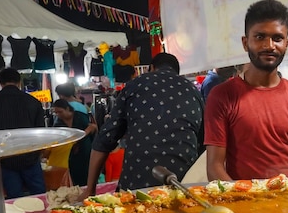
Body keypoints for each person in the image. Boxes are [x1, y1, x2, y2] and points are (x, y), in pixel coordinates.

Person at [204, 0, 288, 181]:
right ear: (245, 43)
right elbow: (214, 167)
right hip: (244, 201)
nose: (269, 45)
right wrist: (241, 201)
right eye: (260, 37)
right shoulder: (221, 96)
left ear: (287, 43)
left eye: (277, 38)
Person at [79, 52, 205, 197]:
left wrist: (90, 190)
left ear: (151, 68)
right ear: (177, 71)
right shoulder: (193, 91)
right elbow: (203, 144)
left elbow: (104, 140)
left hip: (137, 187)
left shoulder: (136, 84)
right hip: (184, 185)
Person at [0, 68, 46, 198]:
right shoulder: (33, 101)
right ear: (19, 81)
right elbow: (41, 131)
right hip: (30, 155)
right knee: (40, 196)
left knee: (15, 200)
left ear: (0, 82)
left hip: (6, 157)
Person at [51, 99, 97, 186]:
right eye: (56, 113)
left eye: (60, 112)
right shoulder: (58, 123)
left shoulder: (80, 116)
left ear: (68, 108)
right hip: (70, 154)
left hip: (85, 150)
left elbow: (93, 128)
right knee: (74, 175)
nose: (58, 115)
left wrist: (90, 130)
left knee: (88, 173)